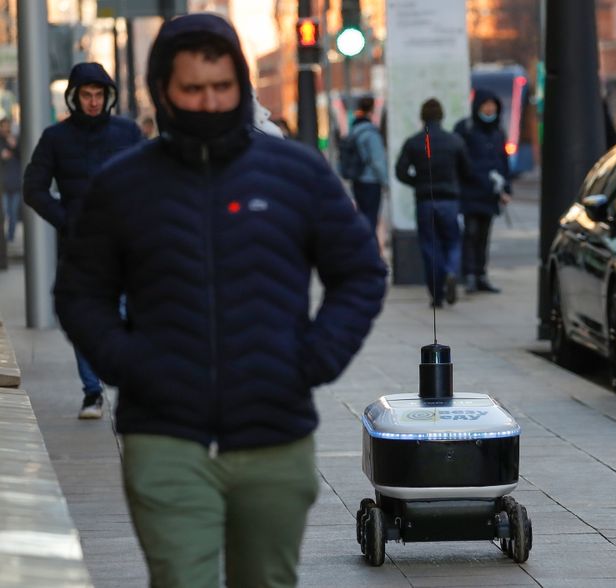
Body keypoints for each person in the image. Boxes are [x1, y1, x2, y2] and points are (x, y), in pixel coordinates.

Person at [53, 14, 386, 587]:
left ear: (241, 86)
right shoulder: (123, 183)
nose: (209, 101)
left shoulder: (296, 172)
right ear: (164, 90)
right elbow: (81, 291)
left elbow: (359, 273)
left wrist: (313, 359)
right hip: (163, 434)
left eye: (222, 87)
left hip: (273, 434)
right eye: (193, 88)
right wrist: (129, 365)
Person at [23, 62, 142, 419]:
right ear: (75, 97)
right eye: (87, 95)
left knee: (125, 312)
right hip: (78, 244)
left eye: (99, 95)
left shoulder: (128, 133)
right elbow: (33, 188)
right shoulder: (55, 138)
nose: (93, 102)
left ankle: (127, 385)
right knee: (81, 315)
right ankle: (92, 392)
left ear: (108, 97)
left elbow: (151, 179)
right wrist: (66, 220)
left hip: (123, 242)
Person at [396, 98, 471, 308]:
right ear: (441, 116)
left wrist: (418, 183)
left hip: (425, 201)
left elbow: (400, 171)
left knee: (430, 246)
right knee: (453, 241)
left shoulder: (413, 142)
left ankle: (436, 295)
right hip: (449, 200)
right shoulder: (454, 141)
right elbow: (467, 170)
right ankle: (451, 271)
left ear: (422, 117)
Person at [454, 90, 512, 294]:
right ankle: (469, 274)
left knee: (484, 236)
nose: (489, 110)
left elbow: (502, 161)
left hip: (490, 194)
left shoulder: (497, 132)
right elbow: (461, 162)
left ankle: (480, 274)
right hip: (470, 192)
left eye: (492, 106)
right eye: (486, 106)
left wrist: (506, 188)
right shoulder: (466, 129)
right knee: (470, 233)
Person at [349, 96, 388, 231]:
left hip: (357, 180)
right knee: (371, 221)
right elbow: (377, 161)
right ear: (372, 110)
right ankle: (370, 249)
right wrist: (385, 181)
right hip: (371, 181)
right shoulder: (371, 133)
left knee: (363, 218)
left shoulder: (353, 130)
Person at [0, 117, 21, 242]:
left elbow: (23, 156)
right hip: (3, 184)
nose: (7, 129)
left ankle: (10, 236)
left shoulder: (15, 140)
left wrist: (14, 145)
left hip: (15, 183)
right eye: (4, 126)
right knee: (5, 212)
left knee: (13, 213)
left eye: (8, 126)